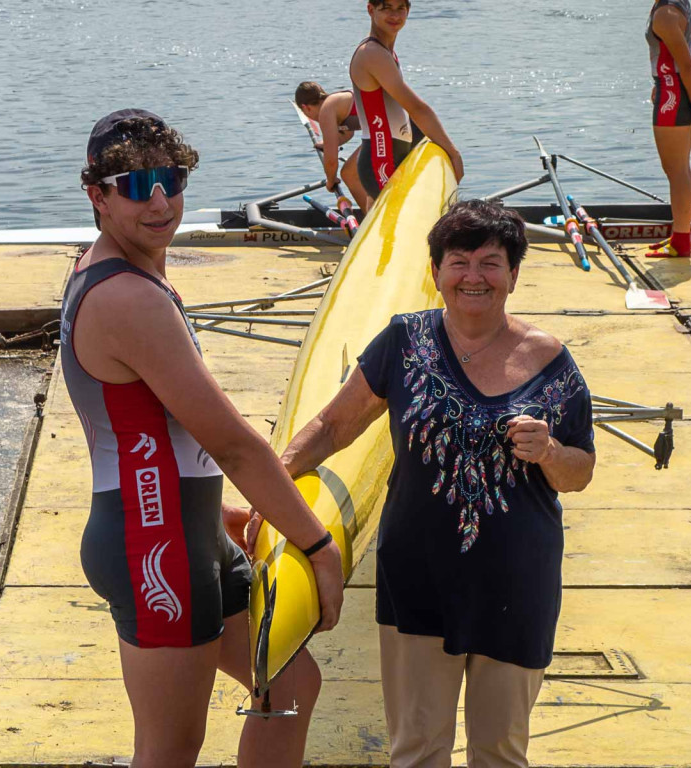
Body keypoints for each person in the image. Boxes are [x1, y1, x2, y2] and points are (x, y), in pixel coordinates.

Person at [250, 200, 596, 768]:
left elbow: (580, 472)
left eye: (491, 263)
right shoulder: (404, 341)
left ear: (513, 274)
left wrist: (551, 451)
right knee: (415, 751)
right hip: (418, 578)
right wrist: (275, 488)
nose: (473, 277)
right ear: (435, 273)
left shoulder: (551, 362)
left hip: (517, 585)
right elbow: (334, 426)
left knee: (501, 752)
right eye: (458, 262)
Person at [64, 109, 344, 768]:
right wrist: (318, 544)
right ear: (97, 195)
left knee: (292, 685)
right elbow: (234, 442)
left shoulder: (130, 269)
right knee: (169, 751)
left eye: (172, 179)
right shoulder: (125, 297)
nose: (160, 202)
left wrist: (207, 508)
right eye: (135, 186)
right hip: (153, 545)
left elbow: (138, 422)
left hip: (183, 528)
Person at [350, 0, 463, 211]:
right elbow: (417, 109)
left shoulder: (386, 52)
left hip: (387, 156)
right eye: (386, 8)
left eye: (400, 8)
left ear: (408, 11)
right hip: (381, 160)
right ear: (370, 9)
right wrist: (453, 153)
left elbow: (399, 115)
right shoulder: (372, 53)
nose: (395, 15)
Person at [646, 0, 691, 258]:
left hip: (676, 95)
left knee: (676, 170)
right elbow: (668, 55)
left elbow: (688, 64)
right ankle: (680, 236)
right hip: (676, 88)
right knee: (681, 167)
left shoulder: (666, 13)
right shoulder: (673, 5)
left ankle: (681, 243)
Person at [294, 81, 370, 213]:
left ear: (306, 108)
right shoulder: (335, 104)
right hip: (392, 127)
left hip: (392, 129)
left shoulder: (326, 110)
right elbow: (347, 134)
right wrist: (327, 144)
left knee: (349, 174)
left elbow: (331, 161)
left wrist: (331, 180)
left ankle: (373, 222)